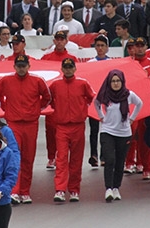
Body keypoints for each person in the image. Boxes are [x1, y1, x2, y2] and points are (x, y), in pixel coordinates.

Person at [0, 55, 51, 204]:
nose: (21, 68)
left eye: (23, 65)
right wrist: (6, 109)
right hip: (14, 124)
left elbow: (47, 97)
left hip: (31, 124)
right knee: (13, 157)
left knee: (28, 157)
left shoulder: (37, 81)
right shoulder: (6, 81)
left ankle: (25, 192)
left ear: (28, 66)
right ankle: (14, 190)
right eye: (18, 65)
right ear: (14, 66)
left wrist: (37, 110)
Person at [50, 58, 96, 202]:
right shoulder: (55, 85)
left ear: (75, 68)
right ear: (62, 69)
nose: (68, 69)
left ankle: (74, 190)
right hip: (62, 127)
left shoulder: (82, 84)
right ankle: (60, 190)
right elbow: (50, 100)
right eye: (66, 67)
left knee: (76, 159)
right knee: (61, 158)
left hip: (77, 126)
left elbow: (91, 98)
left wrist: (81, 110)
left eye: (71, 67)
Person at [95, 69, 143, 202]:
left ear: (122, 82)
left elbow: (139, 103)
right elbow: (96, 102)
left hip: (124, 133)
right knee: (110, 159)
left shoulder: (128, 95)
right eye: (113, 81)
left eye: (118, 81)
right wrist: (101, 116)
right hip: (107, 131)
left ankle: (116, 187)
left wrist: (132, 118)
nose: (115, 84)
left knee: (120, 161)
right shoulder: (105, 94)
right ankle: (108, 188)